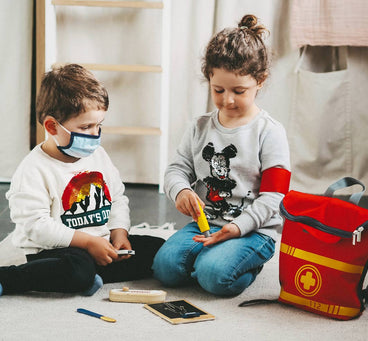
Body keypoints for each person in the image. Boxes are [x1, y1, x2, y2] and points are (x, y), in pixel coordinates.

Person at [152, 14, 291, 296]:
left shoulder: (270, 132)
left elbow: (274, 198)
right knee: (164, 269)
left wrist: (239, 228)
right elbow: (177, 169)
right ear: (209, 80)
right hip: (205, 225)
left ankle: (242, 263)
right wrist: (180, 191)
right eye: (219, 90)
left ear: (260, 81)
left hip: (253, 231)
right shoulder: (199, 126)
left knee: (213, 276)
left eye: (239, 91)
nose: (227, 99)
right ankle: (211, 261)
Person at [0, 64, 164, 297]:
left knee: (159, 251)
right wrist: (87, 243)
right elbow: (36, 227)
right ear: (51, 126)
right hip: (55, 250)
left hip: (99, 243)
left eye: (99, 125)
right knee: (77, 269)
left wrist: (120, 233)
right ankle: (8, 278)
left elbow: (117, 198)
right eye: (86, 127)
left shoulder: (98, 156)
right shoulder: (33, 169)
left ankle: (84, 279)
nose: (95, 134)